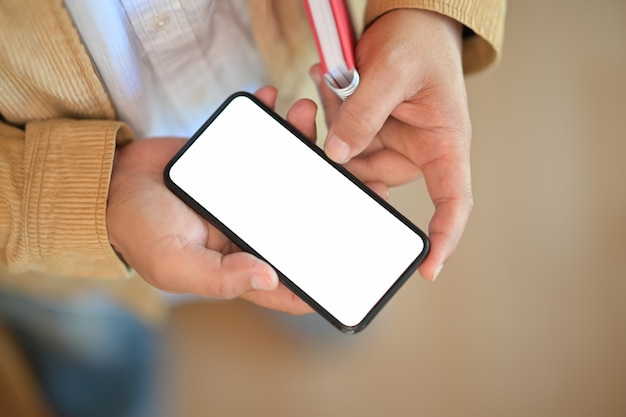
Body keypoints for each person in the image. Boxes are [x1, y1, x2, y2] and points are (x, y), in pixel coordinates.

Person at [0, 0, 506, 415]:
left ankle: (321, 312)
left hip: (299, 99)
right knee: (97, 369)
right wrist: (89, 196)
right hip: (62, 269)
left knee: (312, 277)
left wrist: (423, 15)